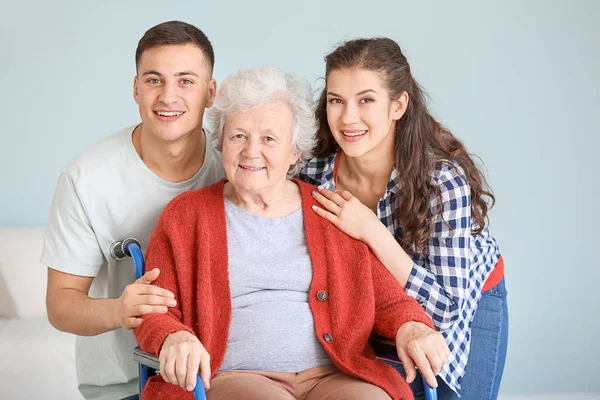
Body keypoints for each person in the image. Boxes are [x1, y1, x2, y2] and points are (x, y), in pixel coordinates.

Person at [133, 65, 449, 400]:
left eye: (269, 138)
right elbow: (155, 309)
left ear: (294, 151)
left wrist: (411, 326)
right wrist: (173, 336)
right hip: (233, 377)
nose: (251, 151)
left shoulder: (328, 209)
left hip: (335, 375)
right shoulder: (187, 216)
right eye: (238, 135)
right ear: (221, 142)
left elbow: (385, 298)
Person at [300, 38, 508, 399]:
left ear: (398, 105)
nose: (348, 117)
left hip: (466, 301)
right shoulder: (311, 175)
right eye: (337, 100)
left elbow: (444, 309)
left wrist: (371, 231)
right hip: (379, 308)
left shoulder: (441, 181)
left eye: (366, 100)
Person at [42, 21, 225, 400]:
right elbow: (60, 303)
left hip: (224, 375)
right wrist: (120, 310)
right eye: (154, 80)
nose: (168, 96)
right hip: (123, 384)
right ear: (136, 89)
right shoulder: (86, 180)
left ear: (210, 94)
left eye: (186, 81)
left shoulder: (236, 165)